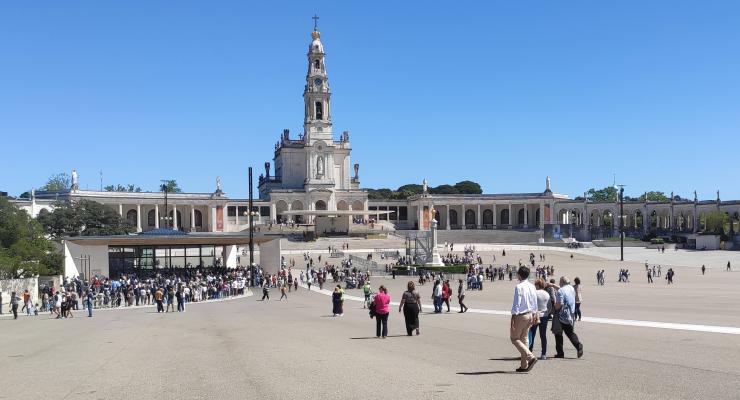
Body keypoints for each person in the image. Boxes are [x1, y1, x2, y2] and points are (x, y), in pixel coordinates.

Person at [510, 266, 539, 373]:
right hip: (530, 314)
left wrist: (513, 315)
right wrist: (535, 313)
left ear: (519, 274)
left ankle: (530, 357)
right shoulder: (532, 286)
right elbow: (534, 301)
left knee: (514, 338)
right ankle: (524, 365)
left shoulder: (519, 287)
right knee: (524, 338)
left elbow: (517, 302)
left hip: (521, 315)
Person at [552, 276, 584, 359]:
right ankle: (578, 346)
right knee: (570, 333)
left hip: (561, 315)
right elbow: (563, 289)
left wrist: (555, 307)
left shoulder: (560, 291)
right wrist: (552, 285)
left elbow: (560, 304)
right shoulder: (571, 288)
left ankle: (560, 353)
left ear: (562, 282)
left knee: (558, 334)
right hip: (571, 314)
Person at [528, 279, 551, 360]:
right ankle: (543, 354)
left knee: (532, 334)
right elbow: (549, 306)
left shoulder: (534, 293)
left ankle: (529, 352)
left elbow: (530, 304)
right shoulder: (547, 294)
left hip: (535, 315)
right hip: (544, 315)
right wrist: (547, 313)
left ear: (537, 285)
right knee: (543, 335)